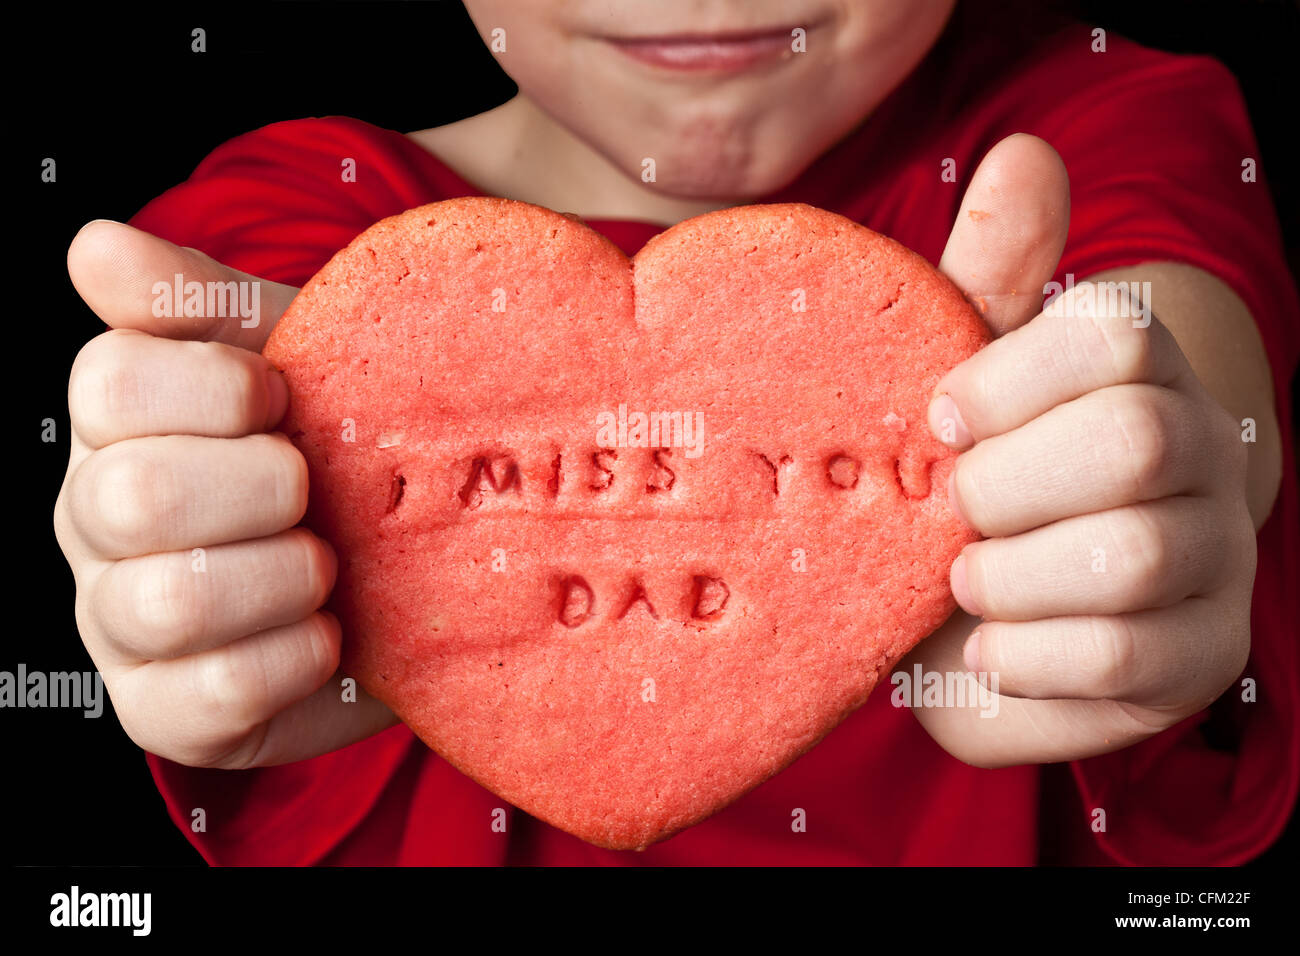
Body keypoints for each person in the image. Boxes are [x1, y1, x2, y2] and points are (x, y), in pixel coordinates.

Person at [54, 0, 1297, 864]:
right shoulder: (282, 232)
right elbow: (192, 448)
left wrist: (1148, 482)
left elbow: (1168, 344)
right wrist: (170, 550)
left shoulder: (1091, 125)